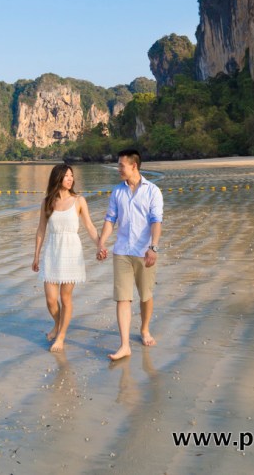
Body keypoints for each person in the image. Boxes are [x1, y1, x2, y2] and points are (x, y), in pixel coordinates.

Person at [95, 148, 162, 360]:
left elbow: (156, 222)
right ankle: (124, 345)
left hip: (144, 252)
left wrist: (154, 248)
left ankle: (144, 329)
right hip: (122, 251)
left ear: (134, 166)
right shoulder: (117, 192)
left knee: (146, 295)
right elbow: (110, 220)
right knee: (123, 298)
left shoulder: (152, 191)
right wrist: (101, 243)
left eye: (121, 165)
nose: (118, 169)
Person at [32, 163, 102, 352]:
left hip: (71, 252)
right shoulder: (47, 202)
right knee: (50, 299)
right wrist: (36, 256)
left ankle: (61, 336)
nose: (70, 179)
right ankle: (57, 323)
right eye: (66, 176)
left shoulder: (79, 201)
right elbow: (41, 230)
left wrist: (100, 245)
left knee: (65, 297)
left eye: (72, 176)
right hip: (52, 252)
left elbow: (89, 226)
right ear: (58, 178)